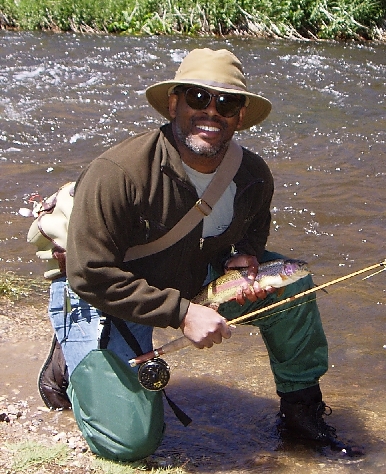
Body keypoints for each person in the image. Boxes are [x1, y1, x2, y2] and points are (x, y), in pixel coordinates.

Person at [64, 48, 358, 456]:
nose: (212, 111)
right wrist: (182, 314)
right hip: (108, 296)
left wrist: (248, 256)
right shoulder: (119, 173)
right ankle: (69, 361)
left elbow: (255, 228)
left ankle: (302, 413)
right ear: (174, 103)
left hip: (195, 280)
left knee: (295, 286)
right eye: (198, 98)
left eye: (227, 102)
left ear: (240, 116)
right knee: (128, 444)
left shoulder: (252, 174)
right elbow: (88, 274)